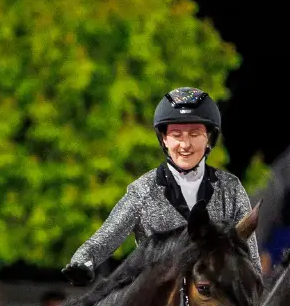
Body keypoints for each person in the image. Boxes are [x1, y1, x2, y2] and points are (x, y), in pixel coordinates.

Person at [65, 87, 253, 284]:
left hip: (214, 302)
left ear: (209, 139)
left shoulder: (231, 189)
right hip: (155, 301)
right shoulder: (142, 191)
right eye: (176, 135)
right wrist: (82, 261)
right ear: (164, 139)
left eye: (195, 134)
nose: (185, 144)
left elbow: (251, 258)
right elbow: (103, 239)